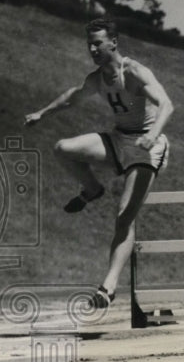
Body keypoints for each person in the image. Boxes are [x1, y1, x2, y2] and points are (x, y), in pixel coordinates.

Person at [25, 18, 173, 309]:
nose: (92, 49)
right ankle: (92, 189)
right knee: (63, 148)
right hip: (120, 141)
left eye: (98, 43)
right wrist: (42, 113)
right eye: (89, 44)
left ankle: (108, 287)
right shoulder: (96, 78)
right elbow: (73, 97)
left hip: (148, 148)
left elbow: (166, 104)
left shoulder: (134, 72)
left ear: (113, 42)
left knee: (124, 215)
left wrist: (153, 134)